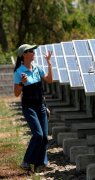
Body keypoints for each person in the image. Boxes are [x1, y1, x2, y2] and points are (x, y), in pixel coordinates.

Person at [13, 44, 53, 172]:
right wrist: (22, 83)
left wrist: (49, 63)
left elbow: (49, 80)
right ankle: (26, 161)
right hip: (29, 107)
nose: (34, 52)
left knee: (45, 137)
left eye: (33, 50)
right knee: (38, 135)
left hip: (40, 105)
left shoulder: (36, 68)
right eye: (31, 51)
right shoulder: (19, 72)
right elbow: (16, 93)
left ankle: (40, 164)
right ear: (24, 54)